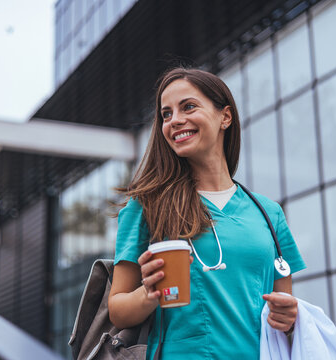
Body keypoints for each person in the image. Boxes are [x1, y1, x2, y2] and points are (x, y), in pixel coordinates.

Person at [108, 67, 306, 359]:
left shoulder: (268, 213)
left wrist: (291, 322)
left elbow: (283, 308)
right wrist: (148, 293)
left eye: (188, 107)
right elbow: (118, 311)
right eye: (166, 114)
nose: (175, 120)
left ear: (225, 117)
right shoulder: (147, 205)